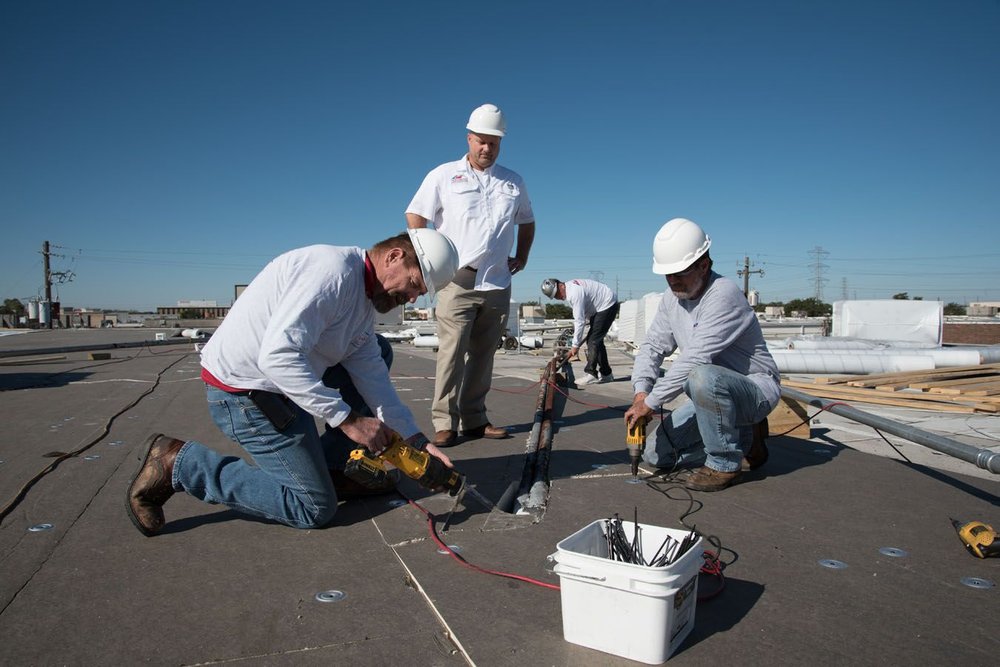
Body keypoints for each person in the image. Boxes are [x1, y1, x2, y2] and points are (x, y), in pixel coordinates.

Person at [125, 229, 460, 535]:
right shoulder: (331, 274)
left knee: (379, 352)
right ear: (394, 257)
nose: (413, 297)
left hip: (283, 385)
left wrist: (416, 441)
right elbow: (277, 357)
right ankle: (181, 466)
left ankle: (333, 469)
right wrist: (350, 421)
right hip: (245, 395)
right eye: (415, 284)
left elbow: (371, 372)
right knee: (313, 507)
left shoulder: (362, 298)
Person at [405, 103, 536, 448]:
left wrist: (521, 256)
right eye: (481, 141)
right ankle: (445, 422)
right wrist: (425, 261)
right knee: (451, 354)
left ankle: (475, 419)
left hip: (497, 283)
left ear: (500, 143)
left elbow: (527, 221)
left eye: (493, 142)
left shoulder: (513, 181)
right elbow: (415, 215)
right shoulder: (443, 175)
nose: (486, 149)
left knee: (484, 355)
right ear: (469, 138)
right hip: (456, 282)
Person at [623, 218, 780, 492]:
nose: (672, 281)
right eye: (667, 275)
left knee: (700, 375)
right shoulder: (671, 298)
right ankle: (745, 439)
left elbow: (695, 359)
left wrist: (651, 403)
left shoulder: (723, 295)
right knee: (657, 455)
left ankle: (724, 463)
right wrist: (640, 392)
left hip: (753, 391)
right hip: (708, 396)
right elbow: (652, 347)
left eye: (679, 273)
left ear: (704, 265)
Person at [540, 278, 620, 385]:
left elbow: (579, 321)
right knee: (597, 341)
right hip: (600, 307)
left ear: (560, 286)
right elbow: (583, 315)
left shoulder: (574, 293)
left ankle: (591, 374)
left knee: (592, 340)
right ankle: (606, 374)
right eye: (555, 297)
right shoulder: (570, 289)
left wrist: (575, 345)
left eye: (557, 294)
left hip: (607, 304)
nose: (558, 298)